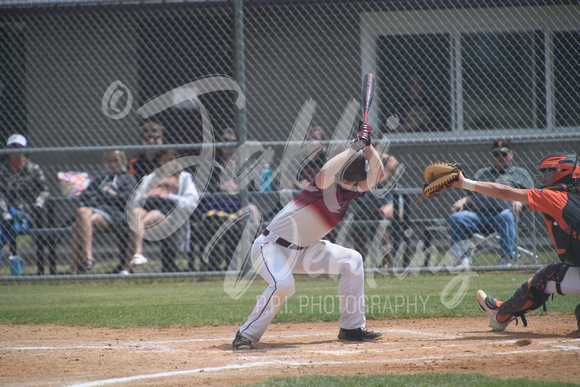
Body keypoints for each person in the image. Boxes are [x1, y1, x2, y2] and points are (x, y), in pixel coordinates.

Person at [232, 122, 386, 349]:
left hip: (306, 250)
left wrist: (368, 145)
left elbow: (380, 173)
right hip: (271, 247)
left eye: (356, 177)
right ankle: (245, 335)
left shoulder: (351, 191)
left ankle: (352, 328)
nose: (355, 182)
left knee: (352, 260)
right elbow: (325, 171)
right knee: (284, 284)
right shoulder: (322, 185)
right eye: (351, 176)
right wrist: (356, 146)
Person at [446, 152, 580, 332]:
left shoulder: (554, 196)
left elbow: (504, 191)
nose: (544, 176)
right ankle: (501, 314)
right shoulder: (573, 195)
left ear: (563, 172)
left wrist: (464, 183)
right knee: (548, 274)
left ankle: (500, 315)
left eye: (549, 171)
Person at [449, 140, 533, 267]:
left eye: (503, 155)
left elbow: (531, 196)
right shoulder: (482, 173)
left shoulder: (519, 174)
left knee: (506, 215)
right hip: (479, 217)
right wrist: (462, 201)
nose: (499, 158)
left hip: (503, 217)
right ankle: (462, 260)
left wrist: (519, 201)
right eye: (496, 155)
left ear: (511, 155)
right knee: (457, 218)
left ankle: (505, 260)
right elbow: (472, 196)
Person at [127, 149, 200, 270]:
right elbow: (134, 202)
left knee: (146, 218)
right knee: (135, 213)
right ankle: (138, 254)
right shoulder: (150, 178)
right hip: (148, 205)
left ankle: (127, 267)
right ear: (160, 162)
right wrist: (146, 196)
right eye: (165, 160)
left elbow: (192, 202)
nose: (168, 163)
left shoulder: (184, 177)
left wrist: (169, 196)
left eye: (171, 160)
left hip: (168, 211)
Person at [69, 151, 137, 275]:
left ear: (122, 161)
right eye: (109, 161)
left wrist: (104, 196)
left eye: (115, 160)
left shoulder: (128, 179)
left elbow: (126, 199)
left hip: (114, 214)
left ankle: (75, 268)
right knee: (82, 211)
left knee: (77, 226)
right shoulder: (100, 179)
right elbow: (85, 196)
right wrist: (109, 195)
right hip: (94, 210)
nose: (112, 164)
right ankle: (88, 256)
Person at [0, 134, 50, 265]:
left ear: (25, 149)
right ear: (7, 149)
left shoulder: (34, 168)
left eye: (19, 147)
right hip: (5, 213)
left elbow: (45, 190)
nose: (16, 151)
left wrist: (39, 202)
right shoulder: (2, 171)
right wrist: (5, 212)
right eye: (12, 147)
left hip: (28, 213)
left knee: (12, 225)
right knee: (8, 224)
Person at [281, 125, 327, 191]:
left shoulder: (327, 159)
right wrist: (298, 184)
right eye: (309, 139)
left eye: (316, 139)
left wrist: (311, 185)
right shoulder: (298, 159)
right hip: (300, 193)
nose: (312, 142)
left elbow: (333, 182)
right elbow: (286, 180)